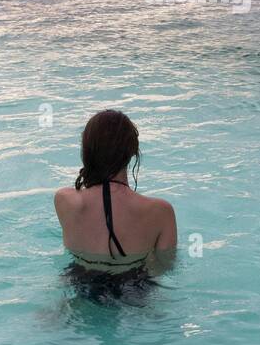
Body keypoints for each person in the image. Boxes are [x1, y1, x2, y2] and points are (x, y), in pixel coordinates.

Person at [54, 110, 177, 275]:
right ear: (133, 151)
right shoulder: (161, 211)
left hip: (79, 281)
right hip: (133, 287)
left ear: (87, 151)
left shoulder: (64, 200)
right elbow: (165, 267)